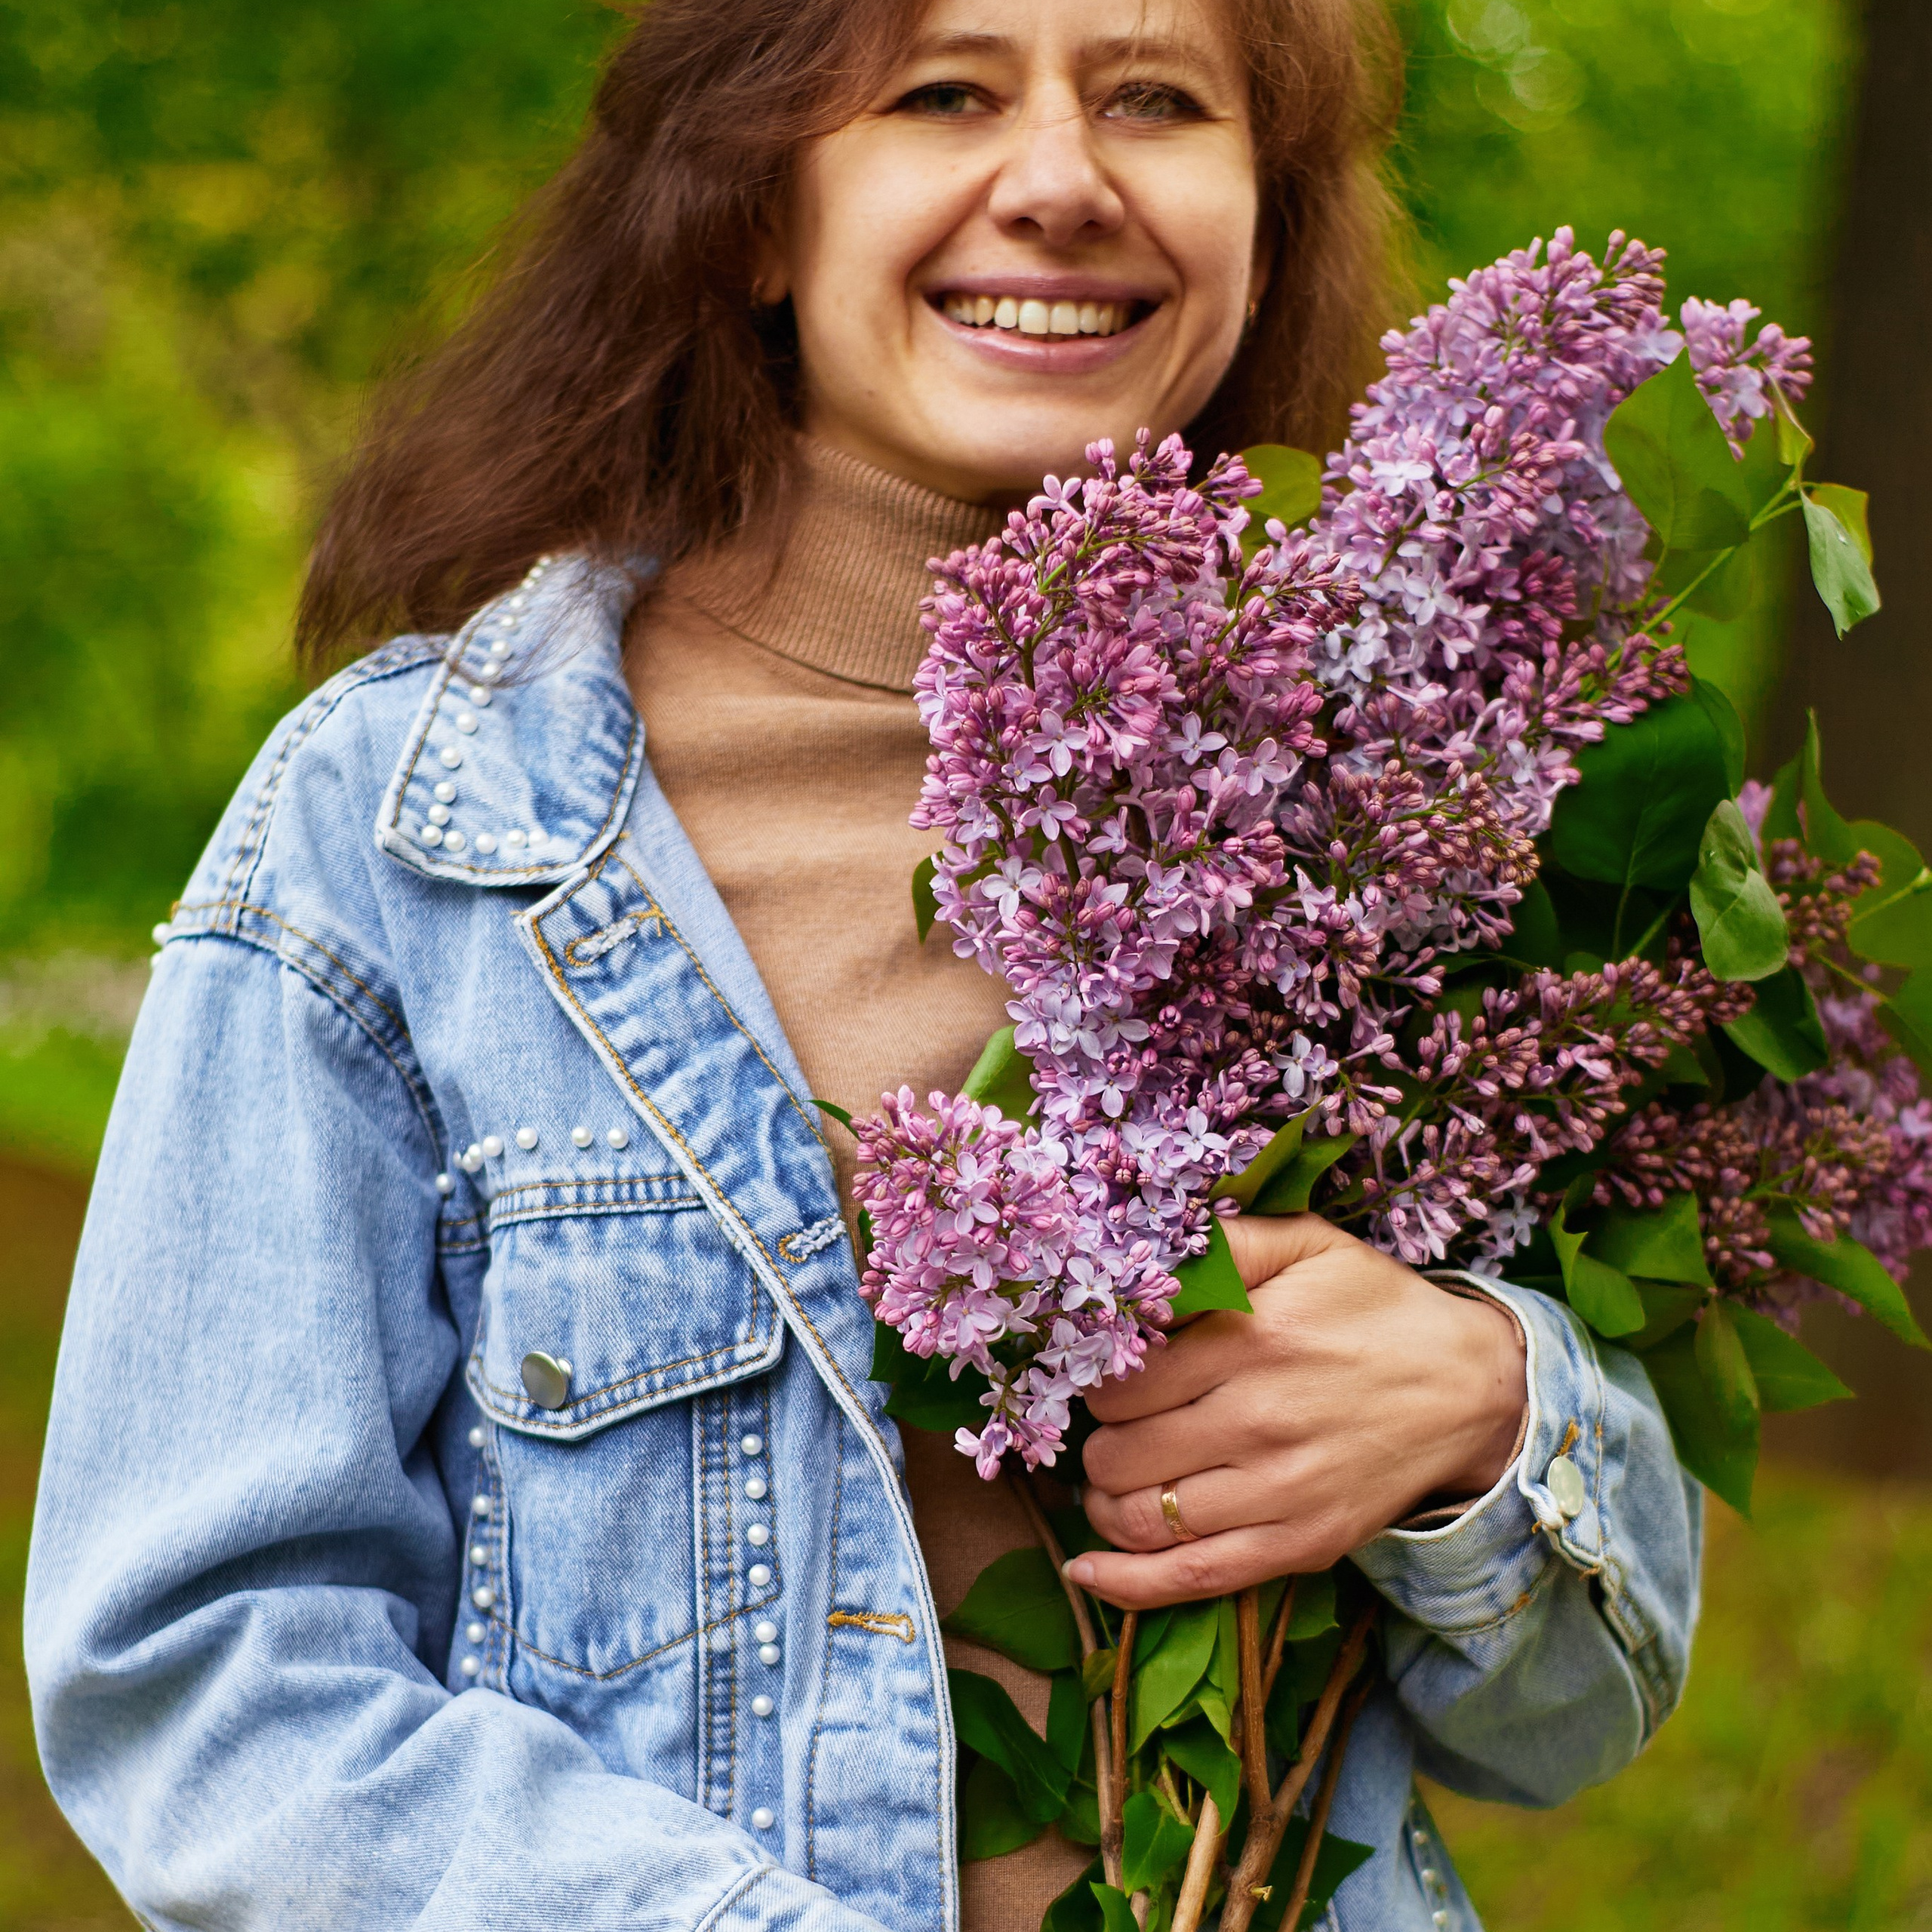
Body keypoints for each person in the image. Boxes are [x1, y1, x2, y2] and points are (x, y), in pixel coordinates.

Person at [26, 1, 1700, 1927]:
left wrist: (1485, 1413)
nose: (1060, 180)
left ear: (1263, 214)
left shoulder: (1421, 804)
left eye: (1156, 99)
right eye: (943, 93)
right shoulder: (406, 830)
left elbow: (1562, 1720)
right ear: (757, 209)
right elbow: (206, 1691)